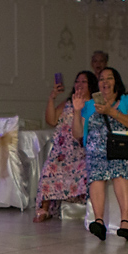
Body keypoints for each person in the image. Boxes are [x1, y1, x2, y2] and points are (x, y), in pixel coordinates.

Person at [72, 67, 128, 241]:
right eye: (101, 79)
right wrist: (76, 111)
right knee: (96, 171)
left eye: (109, 78)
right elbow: (78, 134)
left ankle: (125, 221)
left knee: (119, 169)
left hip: (121, 149)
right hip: (96, 150)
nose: (105, 82)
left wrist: (111, 111)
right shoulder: (89, 105)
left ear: (116, 82)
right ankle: (98, 221)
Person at [33, 70, 98, 222]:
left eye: (83, 82)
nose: (79, 85)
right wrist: (52, 97)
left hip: (82, 150)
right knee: (50, 168)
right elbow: (51, 120)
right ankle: (44, 208)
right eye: (77, 81)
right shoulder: (67, 103)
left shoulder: (94, 105)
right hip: (62, 151)